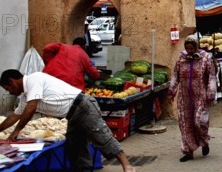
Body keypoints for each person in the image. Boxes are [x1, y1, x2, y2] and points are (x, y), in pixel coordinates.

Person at [0, 70, 136, 172]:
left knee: (101, 135)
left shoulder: (33, 79)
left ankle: (127, 166)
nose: (10, 92)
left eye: (8, 89)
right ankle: (85, 169)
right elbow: (13, 116)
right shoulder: (25, 97)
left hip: (82, 106)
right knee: (75, 145)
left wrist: (17, 131)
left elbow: (31, 108)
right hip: (72, 115)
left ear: (12, 81)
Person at [168, 36, 217, 162]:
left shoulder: (205, 58)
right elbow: (175, 75)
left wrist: (211, 93)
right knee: (185, 125)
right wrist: (171, 92)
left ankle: (204, 142)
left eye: (192, 48)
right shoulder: (181, 58)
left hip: (200, 96)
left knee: (199, 121)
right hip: (184, 98)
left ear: (196, 47)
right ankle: (188, 151)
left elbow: (211, 76)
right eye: (187, 48)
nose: (189, 51)